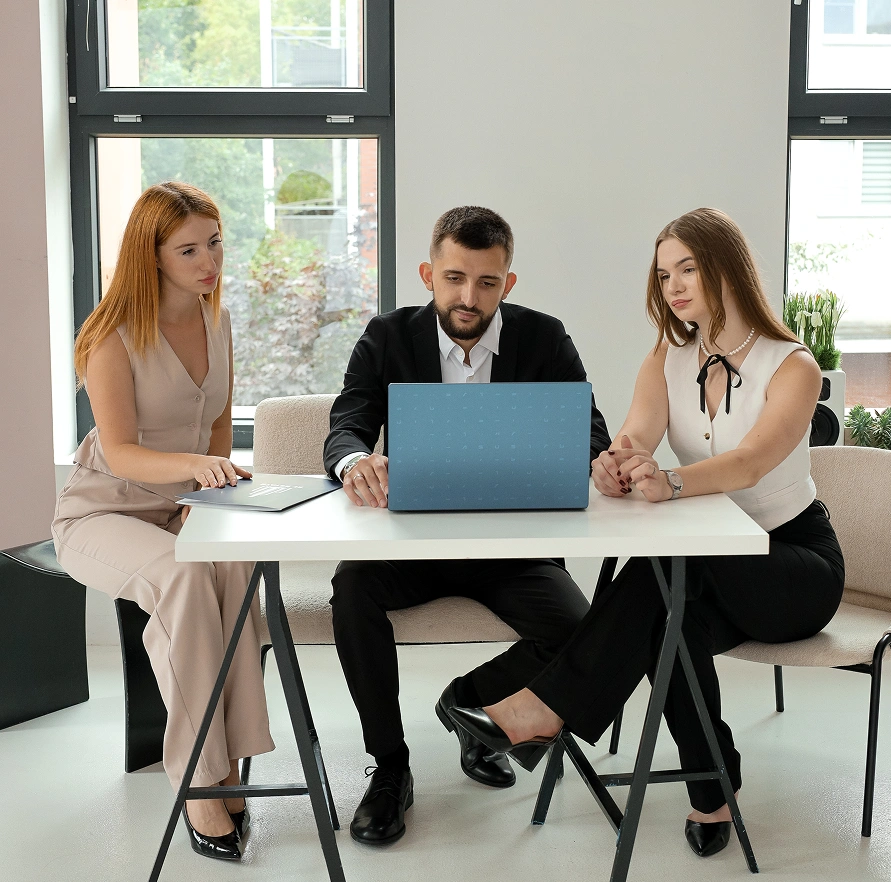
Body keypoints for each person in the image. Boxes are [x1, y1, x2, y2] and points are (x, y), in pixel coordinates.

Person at [449, 207, 845, 859]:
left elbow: (750, 462)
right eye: (664, 275)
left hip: (793, 565)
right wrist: (616, 464)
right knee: (670, 621)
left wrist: (673, 482)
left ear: (727, 269)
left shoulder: (792, 364)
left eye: (688, 269)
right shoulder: (669, 357)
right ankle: (713, 787)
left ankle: (543, 708)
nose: (674, 286)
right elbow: (636, 433)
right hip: (708, 569)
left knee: (672, 565)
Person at [322, 205, 612, 844]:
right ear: (428, 275)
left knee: (582, 631)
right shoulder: (387, 336)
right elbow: (346, 424)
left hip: (516, 548)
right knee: (351, 591)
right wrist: (353, 461)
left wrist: (602, 460)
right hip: (411, 544)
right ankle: (390, 768)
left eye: (487, 282)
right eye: (454, 278)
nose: (468, 297)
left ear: (509, 282)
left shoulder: (544, 337)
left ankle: (474, 709)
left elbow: (590, 430)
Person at [52, 182, 274, 862]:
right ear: (150, 255)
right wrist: (197, 469)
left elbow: (217, 426)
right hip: (103, 510)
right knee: (183, 581)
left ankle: (231, 763)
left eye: (214, 243)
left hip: (184, 507)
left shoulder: (217, 320)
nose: (209, 261)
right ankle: (198, 780)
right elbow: (119, 451)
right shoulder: (110, 336)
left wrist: (213, 486)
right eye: (188, 250)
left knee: (236, 572)